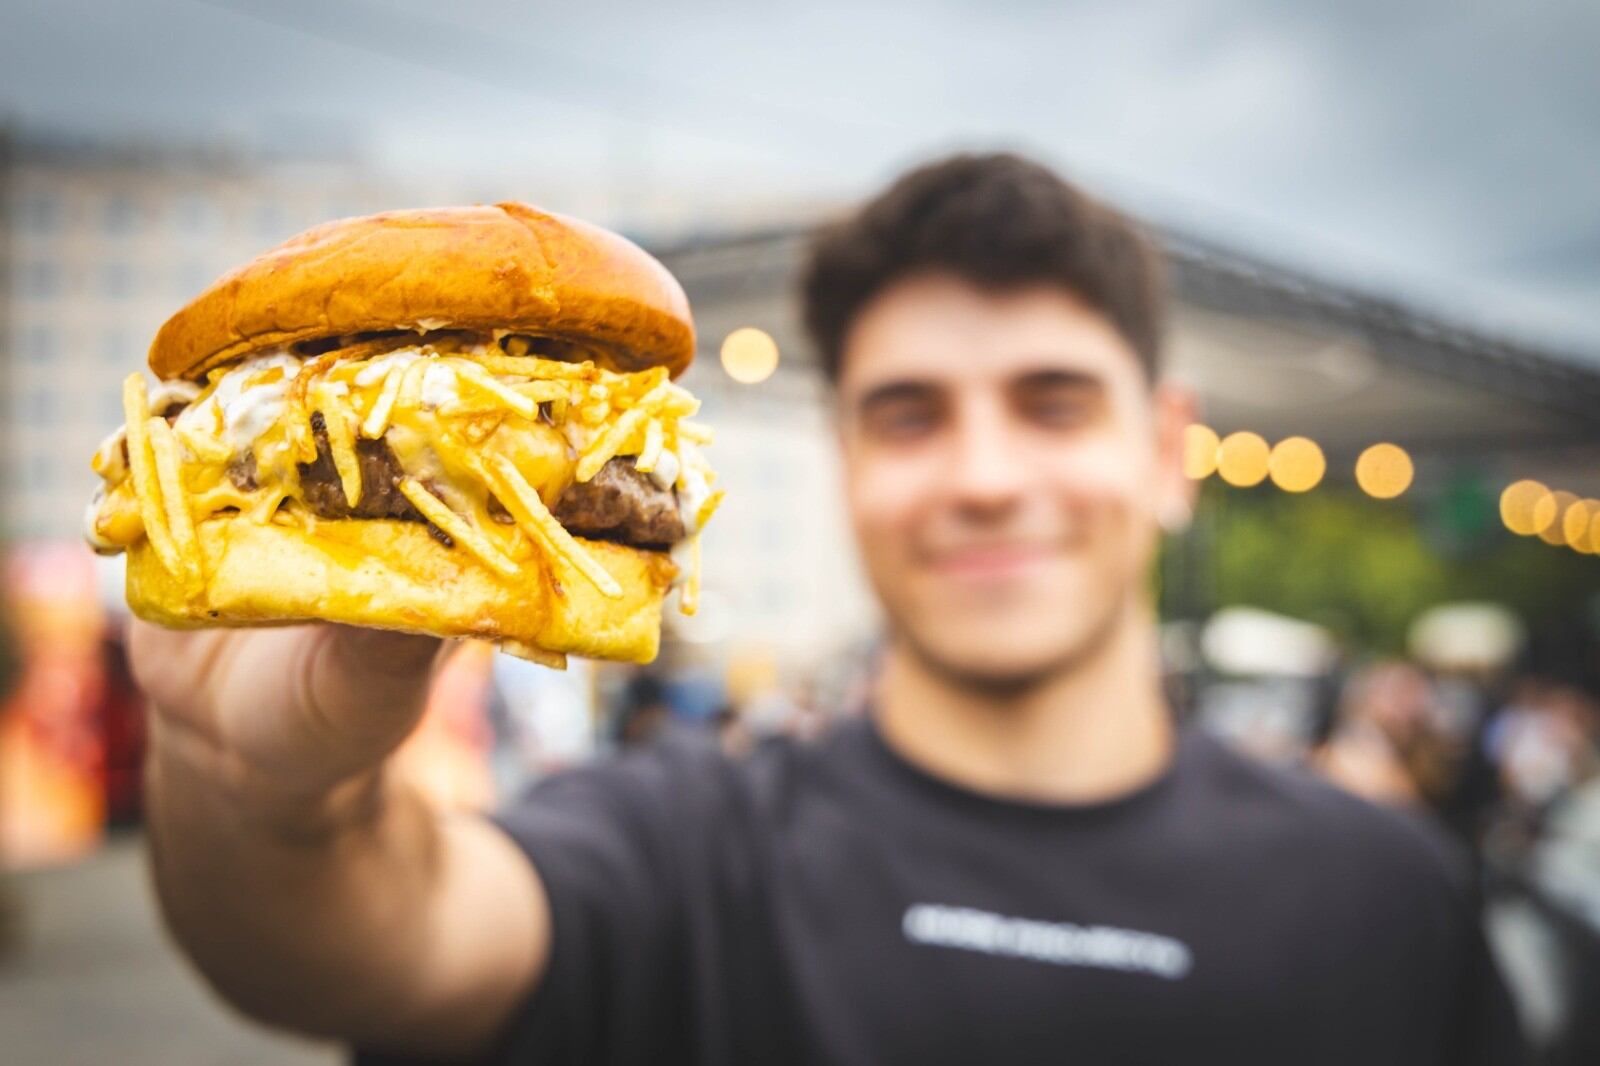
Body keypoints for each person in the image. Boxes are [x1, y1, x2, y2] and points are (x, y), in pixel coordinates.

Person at [130, 153, 1524, 1065]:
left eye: (1052, 401)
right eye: (909, 414)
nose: (982, 477)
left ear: (1167, 451)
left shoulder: (1391, 895)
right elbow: (365, 946)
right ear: (850, 458)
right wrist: (251, 787)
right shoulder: (685, 840)